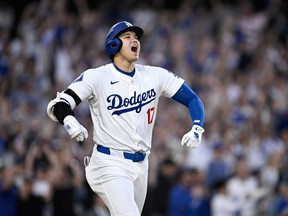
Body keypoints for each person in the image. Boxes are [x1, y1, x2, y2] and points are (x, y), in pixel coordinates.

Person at [46, 21, 205, 216]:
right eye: (127, 37)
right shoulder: (97, 76)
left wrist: (197, 127)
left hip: (141, 164)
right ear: (113, 44)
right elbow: (59, 104)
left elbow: (192, 99)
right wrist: (70, 121)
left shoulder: (154, 75)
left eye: (136, 37)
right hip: (109, 161)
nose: (134, 40)